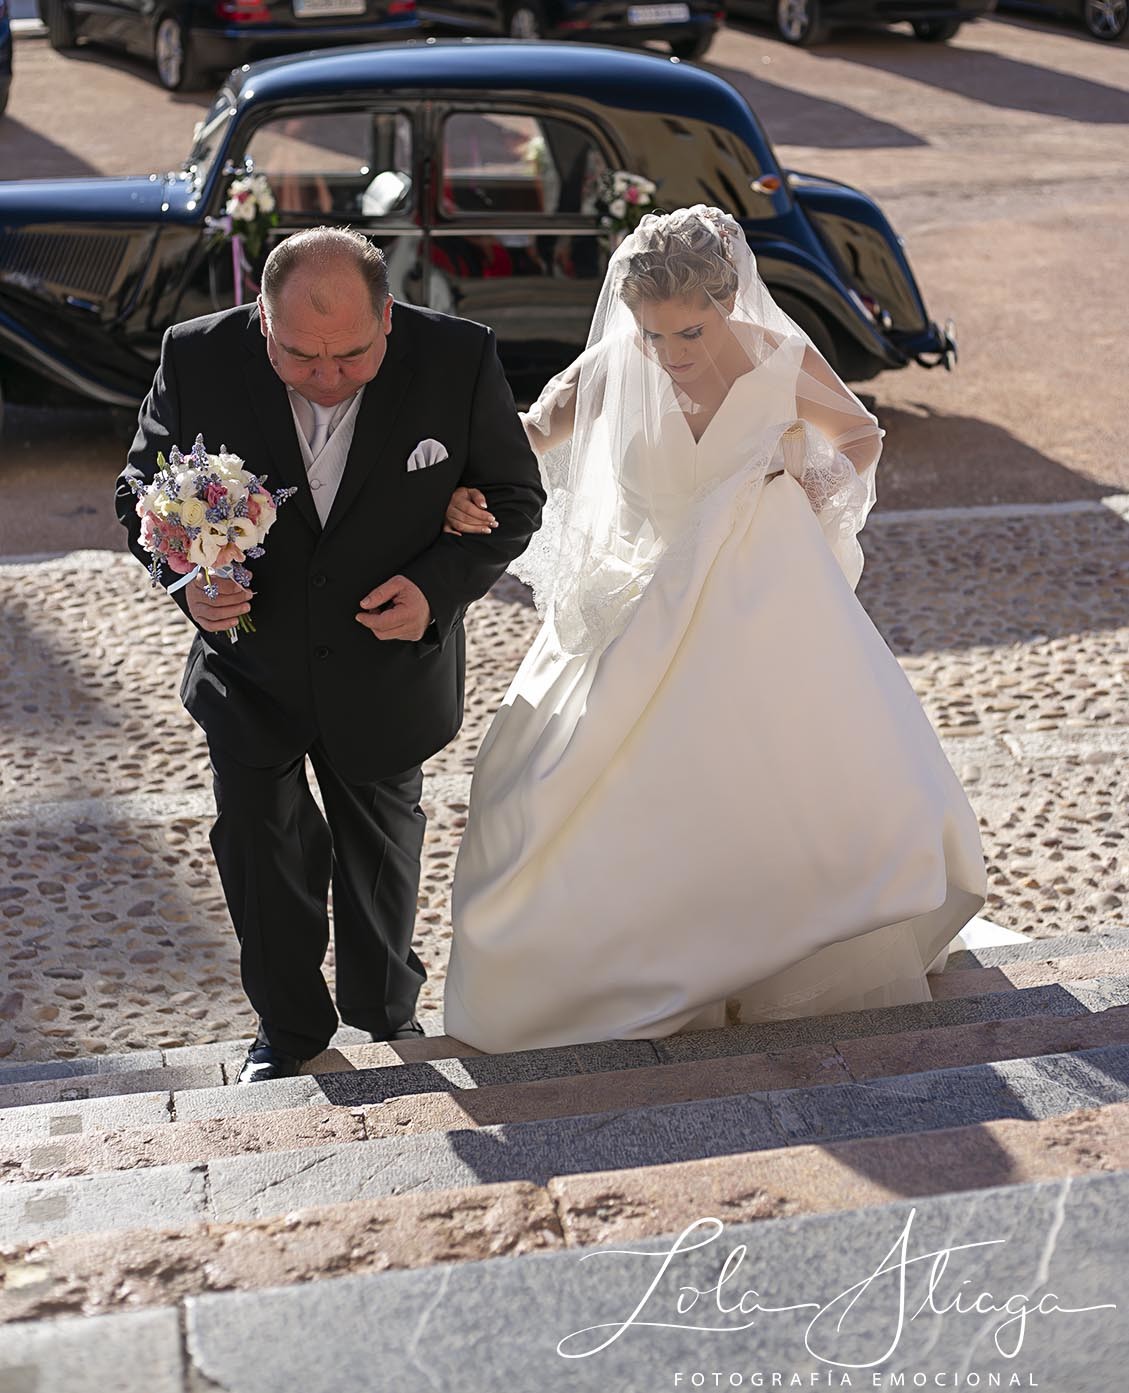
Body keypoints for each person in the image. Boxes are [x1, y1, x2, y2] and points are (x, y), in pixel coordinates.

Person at [440, 206, 987, 1054]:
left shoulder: (781, 362)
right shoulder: (614, 363)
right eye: (652, 334)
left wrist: (809, 486)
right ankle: (641, 968)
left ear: (727, 300)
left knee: (782, 783)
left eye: (688, 332)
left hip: (760, 605)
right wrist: (465, 482)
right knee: (564, 788)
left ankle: (776, 959)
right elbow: (527, 437)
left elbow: (860, 433)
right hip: (638, 607)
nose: (670, 354)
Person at [115, 228, 544, 1082]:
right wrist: (187, 582)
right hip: (250, 668)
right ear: (261, 317)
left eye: (350, 355)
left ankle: (386, 1013)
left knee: (380, 853)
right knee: (257, 844)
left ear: (387, 316)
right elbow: (140, 492)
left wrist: (434, 589)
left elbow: (514, 497)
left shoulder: (458, 358)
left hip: (388, 670)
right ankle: (286, 1031)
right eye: (298, 355)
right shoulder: (196, 356)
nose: (325, 376)